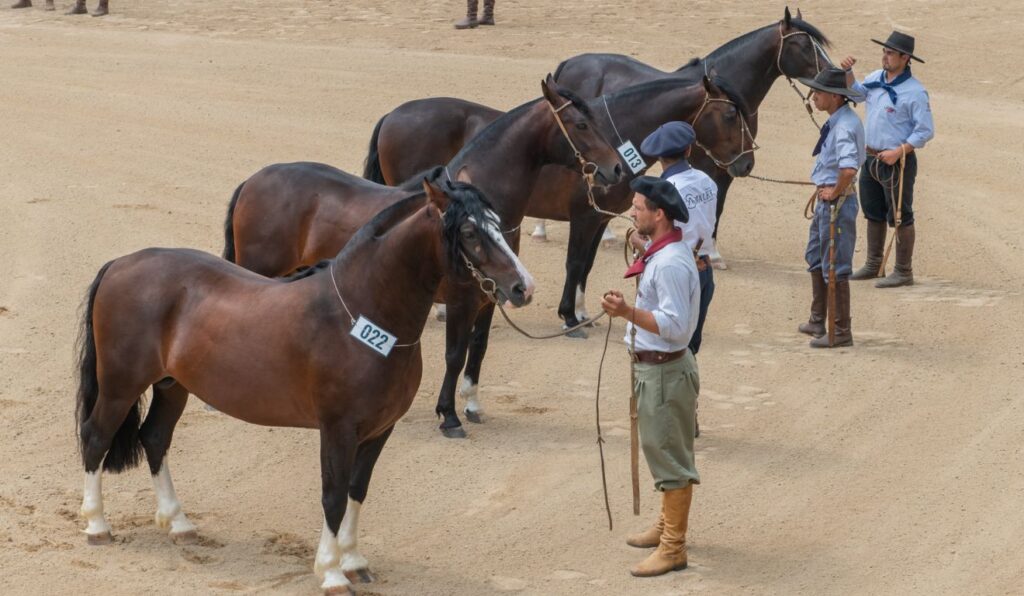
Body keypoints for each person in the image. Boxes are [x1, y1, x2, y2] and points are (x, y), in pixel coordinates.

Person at [601, 176, 699, 578]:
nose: (632, 212)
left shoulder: (672, 263)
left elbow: (674, 326)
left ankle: (674, 546)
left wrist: (626, 313)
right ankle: (666, 526)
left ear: (659, 215)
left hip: (664, 371)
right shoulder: (665, 251)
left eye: (639, 207)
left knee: (670, 457)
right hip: (657, 370)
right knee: (662, 451)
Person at [842, 32, 934, 287]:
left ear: (905, 58)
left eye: (890, 53)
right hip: (870, 158)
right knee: (873, 212)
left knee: (900, 214)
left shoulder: (915, 92)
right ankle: (874, 264)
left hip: (898, 162)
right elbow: (858, 95)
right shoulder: (874, 78)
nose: (885, 56)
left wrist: (899, 151)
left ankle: (904, 271)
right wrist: (849, 73)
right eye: (884, 51)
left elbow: (925, 130)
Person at [796, 68, 865, 348]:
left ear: (836, 96)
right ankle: (817, 319)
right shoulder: (840, 120)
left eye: (818, 92)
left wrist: (834, 191)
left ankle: (840, 330)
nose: (813, 96)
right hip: (830, 200)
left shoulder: (845, 126)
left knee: (835, 265)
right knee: (816, 256)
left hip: (837, 202)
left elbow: (848, 169)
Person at [639, 121, 718, 355]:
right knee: (691, 344)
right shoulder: (707, 180)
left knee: (669, 346)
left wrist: (639, 242)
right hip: (704, 267)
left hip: (677, 270)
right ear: (688, 150)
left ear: (658, 157)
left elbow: (662, 237)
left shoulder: (665, 190)